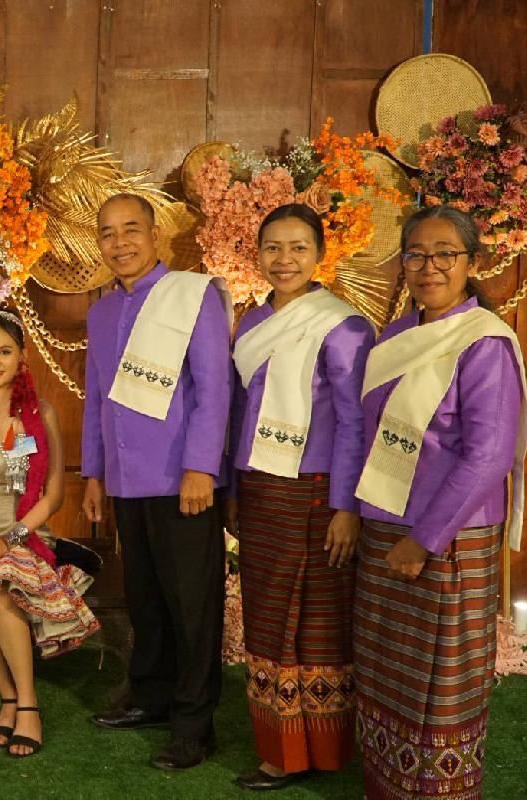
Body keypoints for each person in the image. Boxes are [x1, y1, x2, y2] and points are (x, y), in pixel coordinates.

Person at [352, 205, 526, 800]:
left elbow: (488, 456)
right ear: (403, 264)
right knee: (389, 673)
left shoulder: (484, 343)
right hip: (383, 524)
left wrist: (423, 540)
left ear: (471, 262)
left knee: (441, 684)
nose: (430, 267)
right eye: (417, 255)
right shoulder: (394, 337)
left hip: (447, 538)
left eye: (445, 254)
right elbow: (369, 432)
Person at [224, 204, 374, 790]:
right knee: (267, 615)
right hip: (260, 489)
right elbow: (241, 412)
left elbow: (355, 423)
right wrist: (234, 490)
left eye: (298, 248)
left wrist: (347, 506)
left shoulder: (344, 327)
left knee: (316, 619)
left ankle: (323, 748)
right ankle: (279, 747)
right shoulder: (252, 321)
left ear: (320, 254)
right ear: (258, 254)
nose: (284, 260)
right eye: (273, 248)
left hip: (316, 493)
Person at [82, 193, 232, 770]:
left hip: (182, 481)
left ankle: (194, 725)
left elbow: (214, 388)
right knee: (145, 599)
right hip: (126, 481)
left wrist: (202, 466)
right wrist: (94, 474)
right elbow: (97, 401)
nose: (120, 242)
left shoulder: (191, 296)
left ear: (155, 234)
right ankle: (150, 697)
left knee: (192, 607)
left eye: (131, 229)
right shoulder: (101, 313)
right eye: (108, 232)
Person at [0, 306, 100, 758]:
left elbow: (54, 495)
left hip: (24, 535)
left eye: (4, 352)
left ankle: (28, 705)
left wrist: (7, 540)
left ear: (22, 356)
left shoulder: (41, 413)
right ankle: (7, 697)